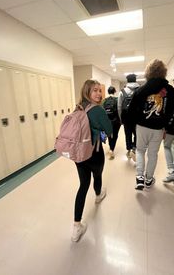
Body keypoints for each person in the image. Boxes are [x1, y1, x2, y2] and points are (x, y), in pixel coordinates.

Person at [72, 79, 112, 242]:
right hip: (94, 151)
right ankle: (98, 195)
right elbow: (109, 131)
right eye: (94, 90)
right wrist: (100, 129)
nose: (98, 93)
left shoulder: (78, 107)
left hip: (79, 153)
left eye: (99, 90)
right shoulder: (99, 110)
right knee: (97, 175)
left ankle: (76, 226)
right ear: (87, 91)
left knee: (83, 185)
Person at [128, 59, 174, 190]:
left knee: (140, 151)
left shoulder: (141, 89)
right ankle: (149, 179)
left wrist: (134, 126)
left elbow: (131, 110)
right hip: (158, 128)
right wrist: (165, 126)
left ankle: (139, 177)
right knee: (153, 154)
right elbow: (171, 111)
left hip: (142, 126)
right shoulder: (170, 91)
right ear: (164, 72)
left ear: (148, 72)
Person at [117, 74, 139, 159]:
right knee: (137, 134)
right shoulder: (140, 90)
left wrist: (120, 118)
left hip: (126, 118)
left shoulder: (122, 92)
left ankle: (129, 150)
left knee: (128, 134)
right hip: (137, 118)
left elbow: (119, 107)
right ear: (135, 80)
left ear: (127, 81)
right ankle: (135, 148)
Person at [102, 86, 121, 159]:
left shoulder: (104, 100)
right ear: (114, 91)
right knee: (115, 135)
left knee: (110, 134)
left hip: (107, 121)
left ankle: (111, 147)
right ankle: (112, 149)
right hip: (116, 121)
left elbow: (102, 111)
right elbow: (119, 110)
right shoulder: (117, 99)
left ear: (108, 92)